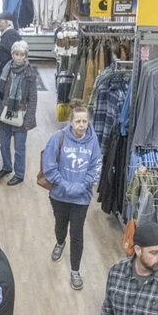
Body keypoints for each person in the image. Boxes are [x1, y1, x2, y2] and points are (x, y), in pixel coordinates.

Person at [42, 102, 103, 290]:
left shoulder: (93, 140)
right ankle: (60, 243)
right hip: (59, 195)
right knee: (60, 226)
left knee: (77, 233)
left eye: (84, 121)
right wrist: (66, 185)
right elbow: (49, 166)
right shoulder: (58, 137)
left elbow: (96, 166)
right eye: (78, 121)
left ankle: (75, 271)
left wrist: (82, 186)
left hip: (81, 198)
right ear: (70, 122)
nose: (81, 125)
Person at [0, 40, 38, 186]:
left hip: (21, 115)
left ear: (26, 56)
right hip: (5, 113)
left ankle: (19, 174)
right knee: (3, 144)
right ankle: (7, 167)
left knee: (19, 148)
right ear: (12, 54)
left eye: (22, 55)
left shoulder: (30, 74)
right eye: (16, 54)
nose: (18, 57)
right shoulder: (6, 70)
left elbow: (33, 98)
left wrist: (29, 119)